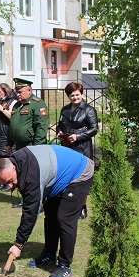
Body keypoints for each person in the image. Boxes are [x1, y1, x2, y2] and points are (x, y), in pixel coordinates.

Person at [0, 145, 94, 277]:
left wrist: (18, 244)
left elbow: (31, 212)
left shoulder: (30, 176)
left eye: (10, 181)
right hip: (59, 175)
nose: (10, 186)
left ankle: (65, 266)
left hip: (79, 172)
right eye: (6, 184)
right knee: (51, 214)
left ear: (14, 168)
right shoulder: (18, 163)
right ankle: (49, 254)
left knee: (64, 219)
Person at [57, 81, 99, 219]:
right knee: (67, 176)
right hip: (67, 147)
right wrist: (59, 132)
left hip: (82, 148)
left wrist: (78, 136)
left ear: (81, 94)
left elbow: (94, 129)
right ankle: (68, 204)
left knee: (82, 178)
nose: (75, 98)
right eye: (72, 95)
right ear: (68, 96)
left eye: (77, 95)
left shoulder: (88, 110)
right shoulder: (65, 110)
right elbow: (60, 125)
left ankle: (82, 207)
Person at [6, 78, 49, 207]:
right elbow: (12, 125)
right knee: (22, 174)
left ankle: (38, 203)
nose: (18, 94)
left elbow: (41, 128)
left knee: (34, 176)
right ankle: (25, 200)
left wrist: (36, 148)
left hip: (31, 146)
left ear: (29, 90)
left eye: (20, 91)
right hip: (19, 146)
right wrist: (9, 143)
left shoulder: (37, 104)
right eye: (16, 92)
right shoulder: (18, 105)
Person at [0, 82, 17, 191]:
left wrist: (2, 109)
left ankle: (9, 183)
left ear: (6, 91)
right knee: (0, 159)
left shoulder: (12, 102)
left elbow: (12, 117)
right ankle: (2, 181)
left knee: (7, 159)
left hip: (6, 134)